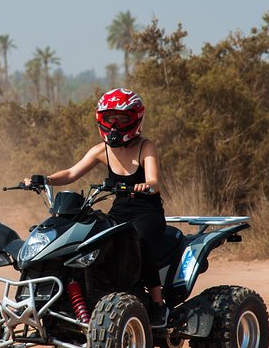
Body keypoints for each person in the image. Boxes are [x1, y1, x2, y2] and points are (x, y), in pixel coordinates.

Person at [25, 88, 169, 327]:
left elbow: (154, 181)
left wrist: (146, 185)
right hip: (119, 212)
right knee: (92, 241)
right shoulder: (101, 150)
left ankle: (157, 305)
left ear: (136, 118)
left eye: (123, 118)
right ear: (101, 119)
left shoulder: (146, 147)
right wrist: (45, 179)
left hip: (147, 213)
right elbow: (71, 173)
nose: (115, 124)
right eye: (110, 118)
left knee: (138, 241)